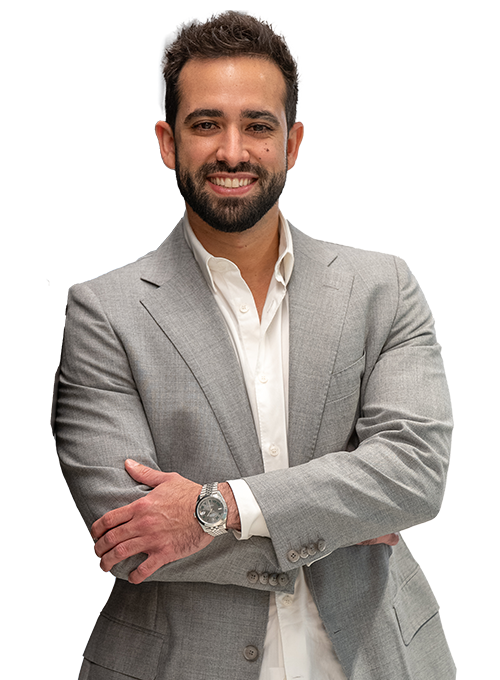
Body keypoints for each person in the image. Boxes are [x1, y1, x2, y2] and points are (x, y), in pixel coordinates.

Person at [56, 11, 456, 680]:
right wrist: (347, 520)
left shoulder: (381, 288)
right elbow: (128, 536)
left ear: (293, 143)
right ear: (167, 141)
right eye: (206, 124)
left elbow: (413, 476)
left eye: (258, 126)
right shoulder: (106, 314)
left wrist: (214, 511)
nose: (233, 152)